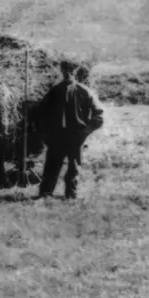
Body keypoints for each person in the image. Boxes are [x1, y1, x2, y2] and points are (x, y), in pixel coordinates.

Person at [35, 60, 105, 200]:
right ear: (61, 71)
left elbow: (99, 114)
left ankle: (71, 195)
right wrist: (45, 133)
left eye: (71, 71)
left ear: (76, 72)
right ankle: (45, 194)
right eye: (65, 70)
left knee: (73, 167)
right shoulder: (54, 91)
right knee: (52, 165)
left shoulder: (84, 91)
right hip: (57, 136)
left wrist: (86, 131)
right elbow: (41, 112)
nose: (68, 73)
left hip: (76, 136)